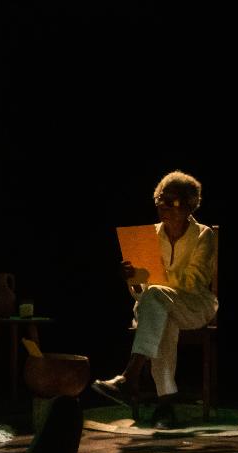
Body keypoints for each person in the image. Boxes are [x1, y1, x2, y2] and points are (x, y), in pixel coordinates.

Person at [91, 170, 218, 429]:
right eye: (161, 199)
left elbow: (194, 282)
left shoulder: (205, 235)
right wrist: (133, 278)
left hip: (195, 306)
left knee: (157, 299)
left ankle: (130, 375)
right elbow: (140, 293)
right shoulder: (149, 235)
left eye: (172, 202)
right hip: (157, 308)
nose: (164, 207)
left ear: (189, 205)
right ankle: (165, 405)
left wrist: (154, 280)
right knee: (161, 315)